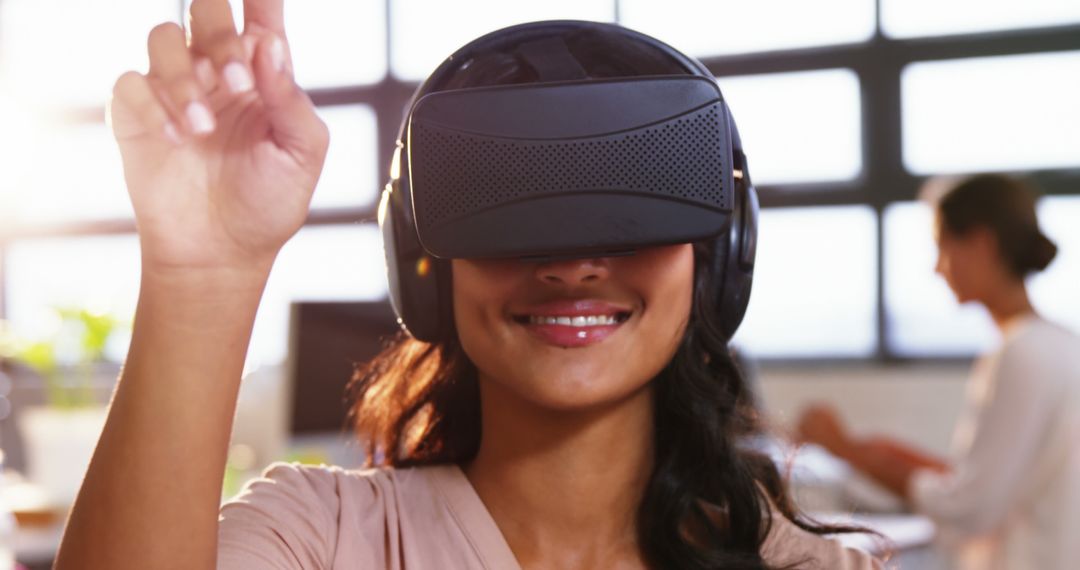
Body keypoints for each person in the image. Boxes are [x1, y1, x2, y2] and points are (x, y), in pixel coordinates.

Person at [55, 1, 881, 568]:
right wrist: (200, 274)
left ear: (720, 253)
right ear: (423, 262)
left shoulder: (809, 566)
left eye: (627, 209)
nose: (571, 266)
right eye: (511, 216)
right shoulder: (322, 538)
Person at [798, 173, 1080, 570]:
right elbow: (988, 481)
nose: (937, 269)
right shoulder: (1062, 343)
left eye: (942, 247)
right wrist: (870, 451)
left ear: (982, 244)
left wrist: (845, 449)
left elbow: (972, 508)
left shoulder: (1022, 353)